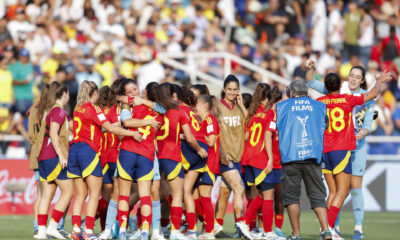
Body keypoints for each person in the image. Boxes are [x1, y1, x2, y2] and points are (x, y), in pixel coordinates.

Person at [305, 61, 381, 239]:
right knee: (343, 191)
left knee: (343, 190)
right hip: (343, 148)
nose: (353, 79)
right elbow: (374, 94)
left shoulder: (321, 100)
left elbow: (310, 83)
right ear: (343, 82)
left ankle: (353, 228)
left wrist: (310, 69)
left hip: (329, 149)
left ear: (362, 80)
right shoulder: (348, 98)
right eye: (351, 75)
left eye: (357, 76)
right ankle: (330, 227)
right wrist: (380, 81)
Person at [68, 81, 143, 240]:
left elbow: (95, 127)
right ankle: (88, 231)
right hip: (88, 151)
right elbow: (109, 128)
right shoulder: (94, 108)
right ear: (94, 93)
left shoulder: (77, 108)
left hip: (74, 150)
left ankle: (76, 230)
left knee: (80, 194)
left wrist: (116, 124)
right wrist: (132, 134)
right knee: (95, 194)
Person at [276, 80, 331, 240]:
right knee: (317, 196)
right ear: (306, 92)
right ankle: (326, 230)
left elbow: (277, 127)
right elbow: (325, 126)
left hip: (290, 156)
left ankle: (296, 234)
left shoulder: (282, 106)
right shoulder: (319, 106)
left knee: (292, 197)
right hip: (312, 156)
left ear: (291, 92)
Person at [155, 82, 207, 240]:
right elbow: (191, 134)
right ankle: (187, 228)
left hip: (171, 152)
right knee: (183, 193)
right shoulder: (184, 110)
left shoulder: (160, 111)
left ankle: (161, 228)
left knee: (164, 192)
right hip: (190, 150)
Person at [235, 84, 285, 240]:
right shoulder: (269, 114)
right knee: (269, 196)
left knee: (262, 195)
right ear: (268, 98)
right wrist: (270, 158)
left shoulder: (255, 114)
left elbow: (248, 125)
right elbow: (267, 136)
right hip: (260, 158)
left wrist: (242, 106)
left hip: (249, 158)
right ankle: (267, 232)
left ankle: (249, 225)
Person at [117, 80, 163, 240]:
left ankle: (122, 232)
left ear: (145, 93)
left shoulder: (133, 105)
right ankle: (145, 233)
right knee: (145, 196)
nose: (136, 94)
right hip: (147, 154)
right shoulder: (161, 111)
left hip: (127, 151)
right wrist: (150, 121)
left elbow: (127, 121)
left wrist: (125, 99)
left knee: (123, 195)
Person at [36, 82, 74, 239]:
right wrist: (61, 155)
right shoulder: (59, 111)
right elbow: (53, 134)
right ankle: (53, 227)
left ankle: (41, 231)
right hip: (53, 156)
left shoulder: (50, 111)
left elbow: (73, 128)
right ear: (64, 93)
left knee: (47, 194)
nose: (69, 97)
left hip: (43, 156)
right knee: (68, 192)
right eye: (68, 94)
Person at [214, 75, 247, 235]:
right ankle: (241, 224)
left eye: (235, 90)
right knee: (239, 187)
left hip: (238, 156)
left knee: (225, 192)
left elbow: (252, 126)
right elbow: (215, 132)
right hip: (225, 156)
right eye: (229, 89)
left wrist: (241, 105)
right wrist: (221, 152)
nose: (232, 92)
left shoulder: (240, 107)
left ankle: (217, 226)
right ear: (223, 89)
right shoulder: (218, 107)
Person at [179, 87, 209, 239]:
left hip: (193, 149)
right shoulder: (192, 111)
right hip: (201, 148)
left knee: (179, 190)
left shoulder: (179, 110)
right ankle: (193, 227)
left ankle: (189, 226)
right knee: (188, 191)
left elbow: (189, 137)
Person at [193, 95, 220, 240]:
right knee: (195, 196)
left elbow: (211, 141)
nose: (194, 107)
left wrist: (194, 137)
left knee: (204, 196)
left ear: (203, 105)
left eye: (196, 104)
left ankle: (210, 230)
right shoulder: (201, 121)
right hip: (201, 163)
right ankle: (208, 224)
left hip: (210, 164)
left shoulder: (210, 120)